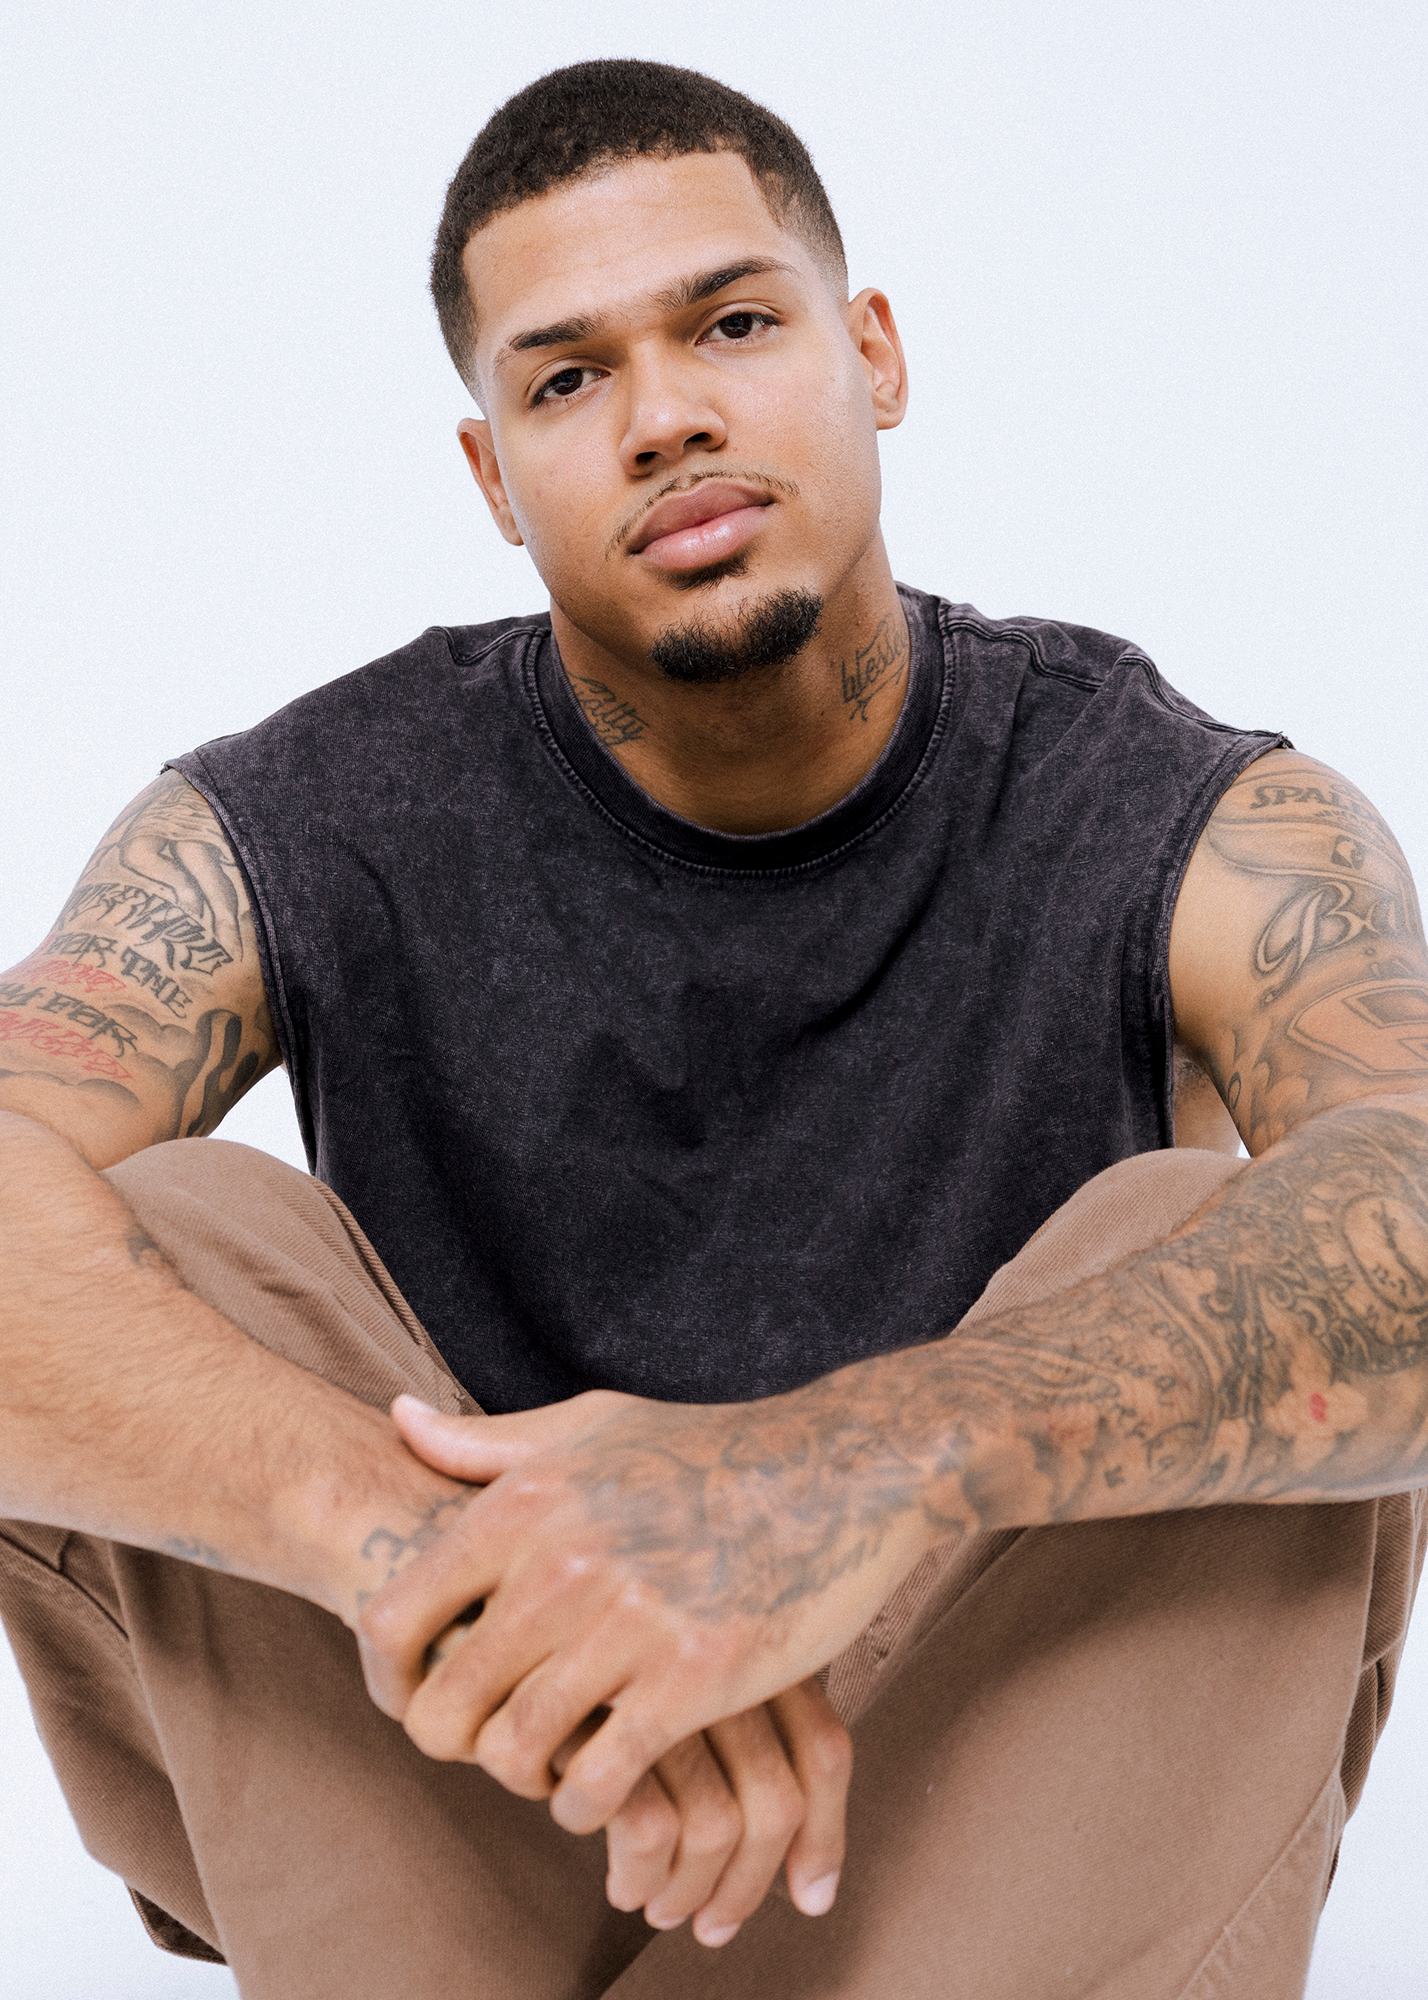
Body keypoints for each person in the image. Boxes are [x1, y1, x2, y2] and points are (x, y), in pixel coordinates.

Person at [1, 55, 1425, 2000]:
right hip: (482, 1803)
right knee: (161, 1227)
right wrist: (453, 1562)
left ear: (874, 354)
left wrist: (846, 1475)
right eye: (568, 377)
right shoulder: (299, 817)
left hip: (978, 1816)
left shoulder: (1187, 814)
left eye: (734, 325)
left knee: (1229, 1244)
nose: (667, 415)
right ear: (495, 475)